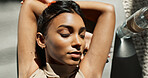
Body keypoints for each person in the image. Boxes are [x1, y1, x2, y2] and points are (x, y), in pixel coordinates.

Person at [18, 0, 115, 78]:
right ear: (42, 40)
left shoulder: (88, 74)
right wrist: (57, 7)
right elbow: (29, 5)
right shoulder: (31, 74)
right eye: (65, 34)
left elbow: (107, 11)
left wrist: (60, 6)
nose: (78, 42)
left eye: (82, 36)